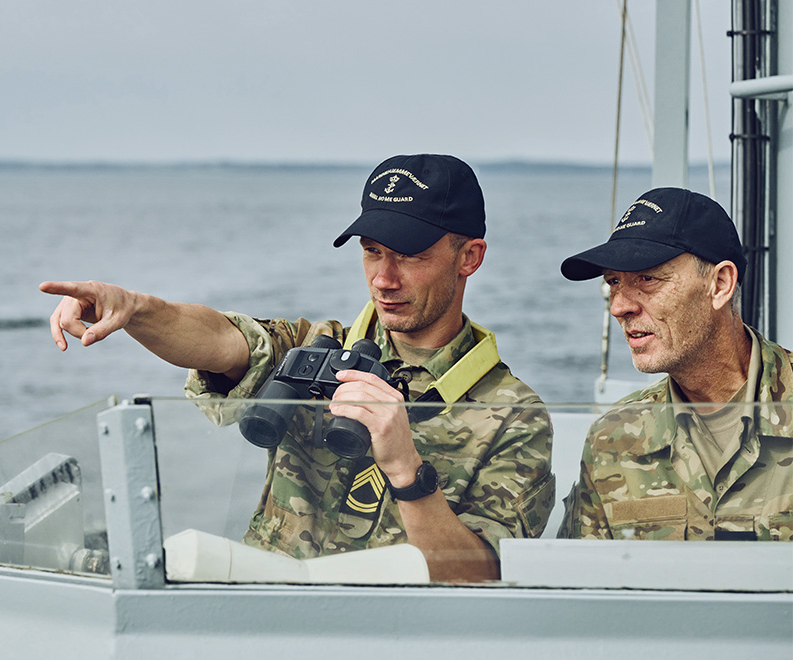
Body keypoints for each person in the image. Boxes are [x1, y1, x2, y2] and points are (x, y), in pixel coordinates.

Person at [41, 154, 554, 581]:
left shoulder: (514, 415)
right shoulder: (315, 347)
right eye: (372, 252)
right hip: (266, 615)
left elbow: (481, 577)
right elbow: (218, 338)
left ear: (470, 257)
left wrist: (406, 469)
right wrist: (135, 308)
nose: (384, 278)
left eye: (411, 256)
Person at [558, 186, 793, 541]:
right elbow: (581, 589)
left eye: (647, 279)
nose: (619, 306)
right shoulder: (613, 439)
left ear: (720, 284)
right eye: (614, 282)